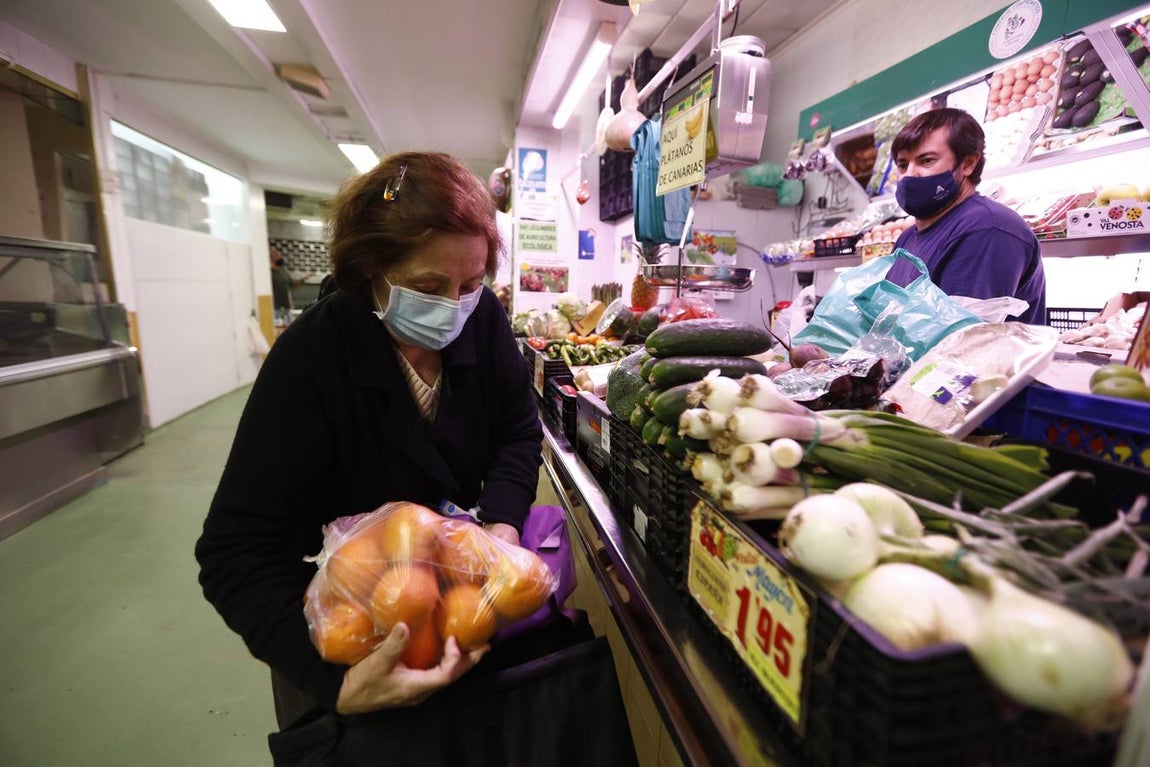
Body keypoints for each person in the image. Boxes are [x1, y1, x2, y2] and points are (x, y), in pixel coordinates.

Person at [196, 152, 581, 761]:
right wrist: (338, 685)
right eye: (428, 287)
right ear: (369, 270)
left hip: (454, 622)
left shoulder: (482, 321)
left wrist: (501, 531)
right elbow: (233, 551)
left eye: (471, 284)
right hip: (347, 643)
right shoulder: (311, 359)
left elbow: (516, 432)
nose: (454, 305)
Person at [884, 107, 1047, 325]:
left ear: (968, 164)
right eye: (903, 165)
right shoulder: (907, 238)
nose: (910, 174)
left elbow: (962, 336)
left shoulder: (987, 229)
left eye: (927, 160)